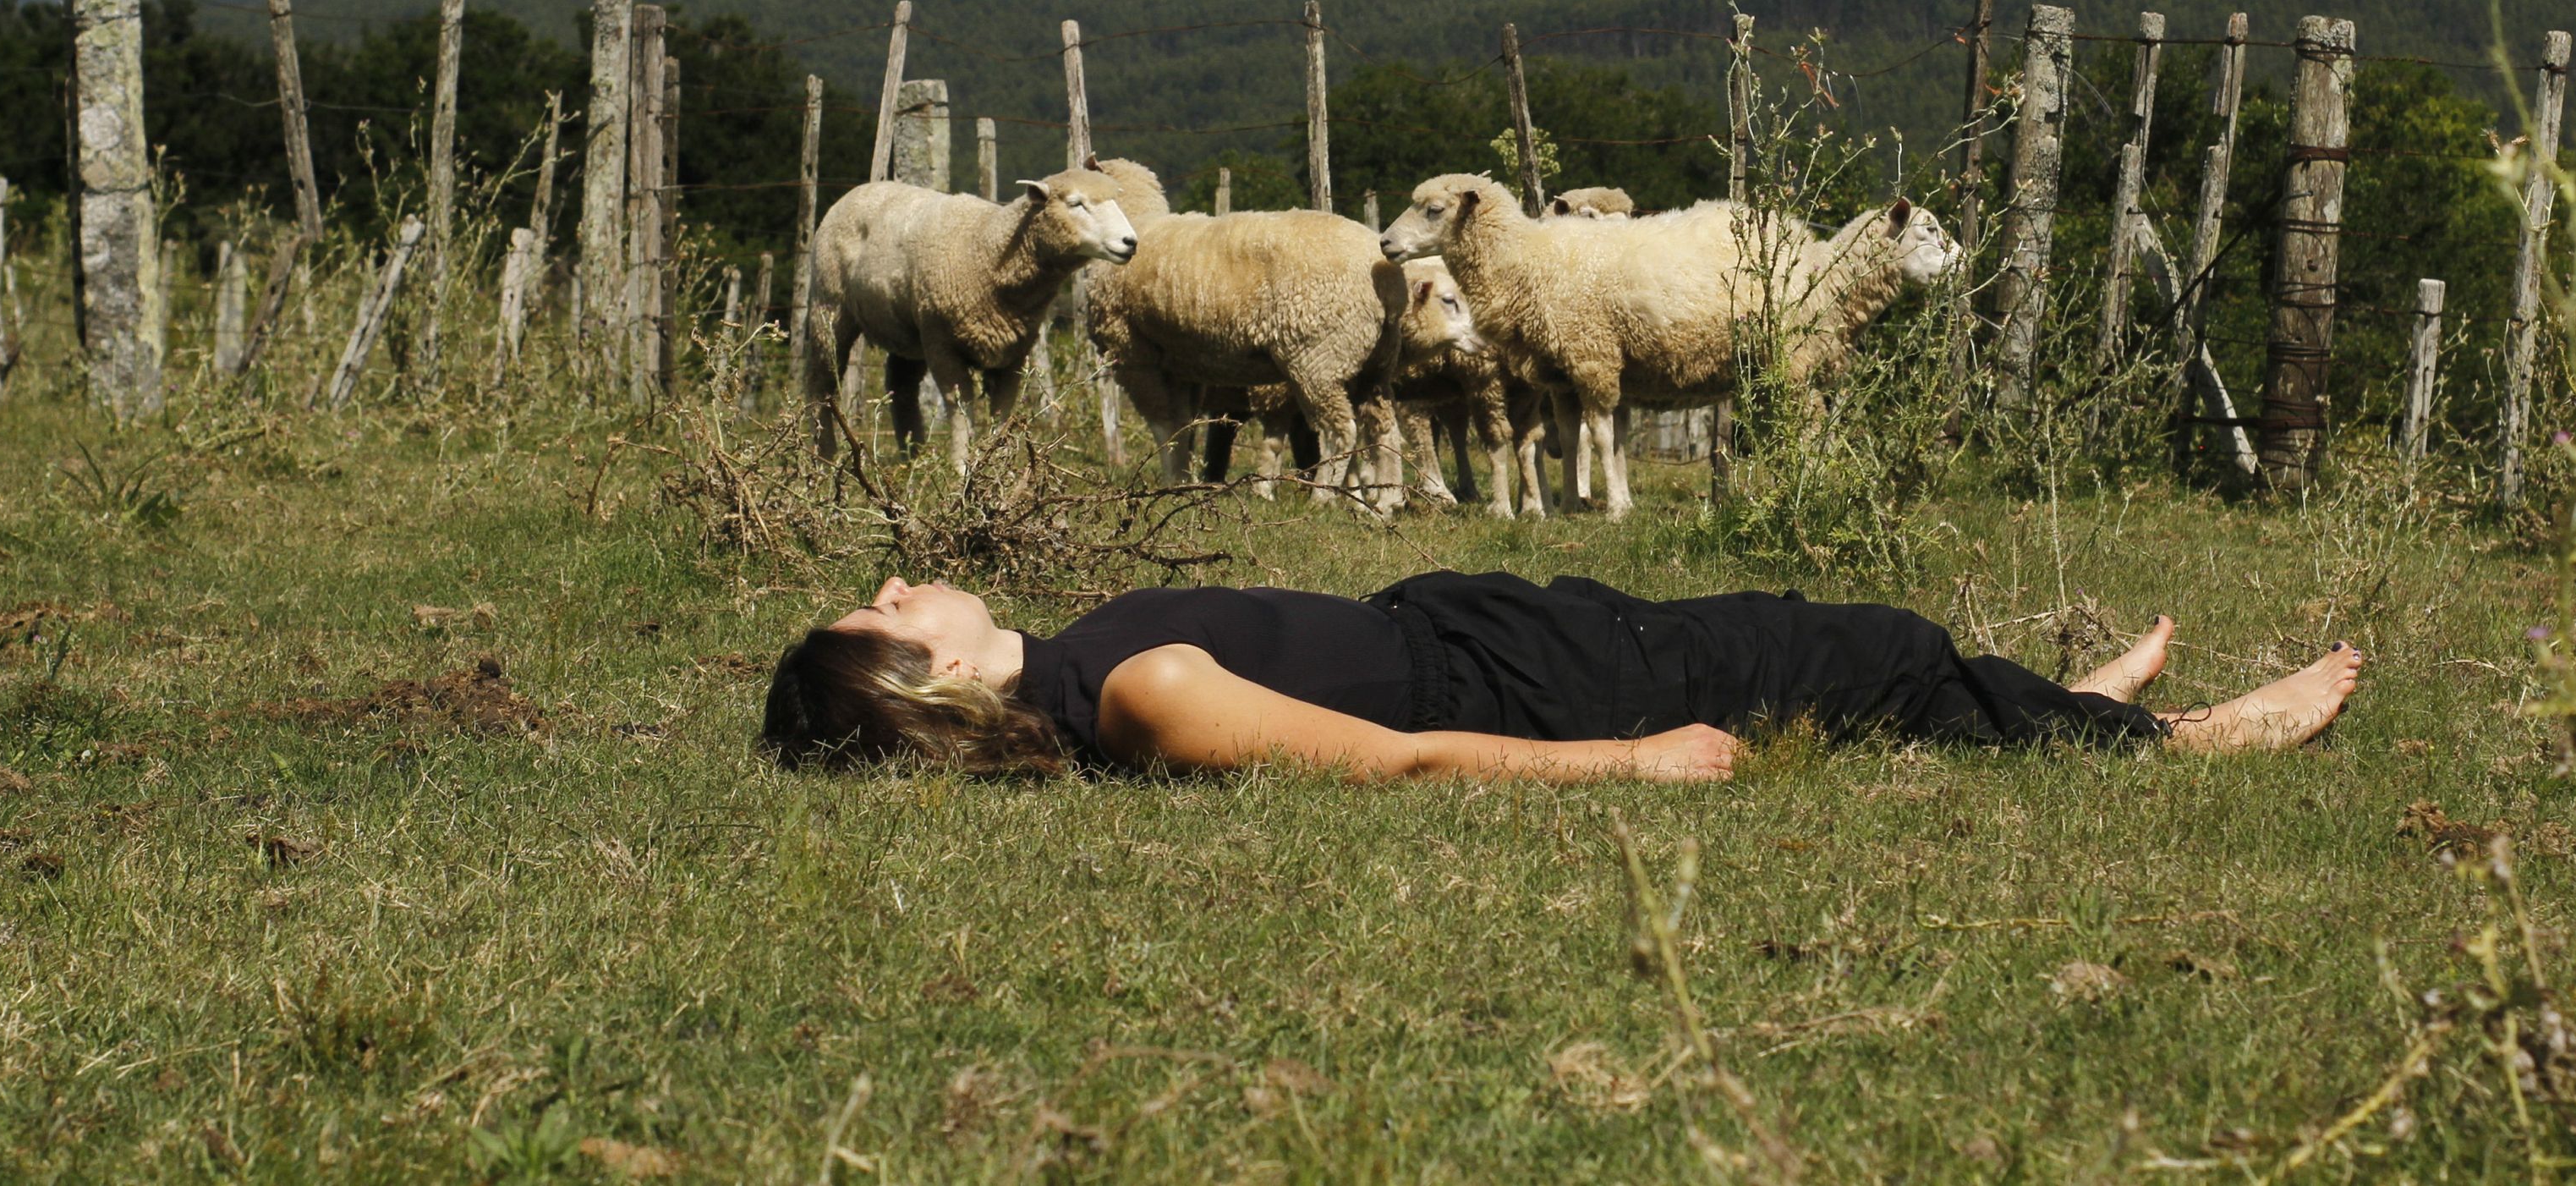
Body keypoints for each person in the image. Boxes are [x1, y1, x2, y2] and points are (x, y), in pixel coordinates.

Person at [758, 570, 2363, 783]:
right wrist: (1629, 763)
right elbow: (1395, 761)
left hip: (1493, 635)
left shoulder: (1085, 661)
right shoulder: (1143, 688)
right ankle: (2177, 741)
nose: (901, 584)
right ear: (928, 671)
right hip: (1529, 687)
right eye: (884, 611)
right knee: (1859, 651)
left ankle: (2060, 704)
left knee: (1827, 645)